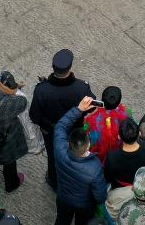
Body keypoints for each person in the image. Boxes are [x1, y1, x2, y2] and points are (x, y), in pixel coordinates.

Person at [30, 48, 94, 191]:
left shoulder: (41, 90)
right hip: (74, 131)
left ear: (53, 67)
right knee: (76, 155)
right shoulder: (81, 87)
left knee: (53, 157)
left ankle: (54, 181)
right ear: (70, 68)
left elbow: (34, 116)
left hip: (51, 134)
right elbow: (91, 106)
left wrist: (49, 125)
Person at [54, 96, 108, 224]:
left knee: (62, 220)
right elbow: (100, 196)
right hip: (83, 204)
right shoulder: (94, 167)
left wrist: (79, 109)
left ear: (69, 142)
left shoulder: (59, 148)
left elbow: (60, 126)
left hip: (63, 197)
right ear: (88, 145)